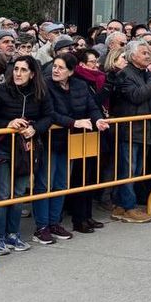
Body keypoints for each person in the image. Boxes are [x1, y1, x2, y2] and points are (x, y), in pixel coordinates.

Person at [0, 55, 52, 255]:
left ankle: (13, 233)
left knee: (18, 193)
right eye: (16, 69)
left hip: (27, 150)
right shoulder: (0, 91)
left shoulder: (40, 92)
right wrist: (8, 124)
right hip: (3, 147)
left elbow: (48, 116)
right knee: (2, 194)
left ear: (32, 74)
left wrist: (35, 128)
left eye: (23, 70)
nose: (18, 73)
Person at [42, 53, 109, 241]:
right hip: (53, 140)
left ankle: (65, 221)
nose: (55, 70)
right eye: (54, 66)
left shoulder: (80, 85)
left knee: (66, 183)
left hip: (77, 140)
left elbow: (91, 106)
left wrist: (98, 120)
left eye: (60, 67)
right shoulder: (46, 84)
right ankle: (44, 225)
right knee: (47, 183)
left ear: (71, 72)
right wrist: (74, 122)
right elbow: (50, 113)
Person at [107, 39, 151, 222]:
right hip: (129, 130)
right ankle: (128, 207)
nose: (148, 55)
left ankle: (121, 205)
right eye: (144, 53)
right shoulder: (124, 75)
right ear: (132, 55)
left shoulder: (146, 74)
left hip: (145, 128)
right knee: (128, 170)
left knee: (137, 170)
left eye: (148, 53)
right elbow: (137, 96)